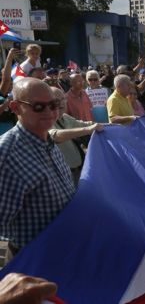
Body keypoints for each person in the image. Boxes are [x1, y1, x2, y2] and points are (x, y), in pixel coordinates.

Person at [0, 78, 75, 253]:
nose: (49, 112)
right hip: (33, 260)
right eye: (39, 107)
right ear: (15, 107)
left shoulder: (47, 139)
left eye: (54, 105)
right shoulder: (6, 154)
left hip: (64, 250)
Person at [49, 87, 103, 185]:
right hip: (63, 175)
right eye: (56, 101)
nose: (61, 103)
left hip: (78, 170)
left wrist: (109, 127)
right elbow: (55, 136)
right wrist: (88, 130)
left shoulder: (65, 117)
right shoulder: (46, 121)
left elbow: (85, 124)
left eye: (63, 99)